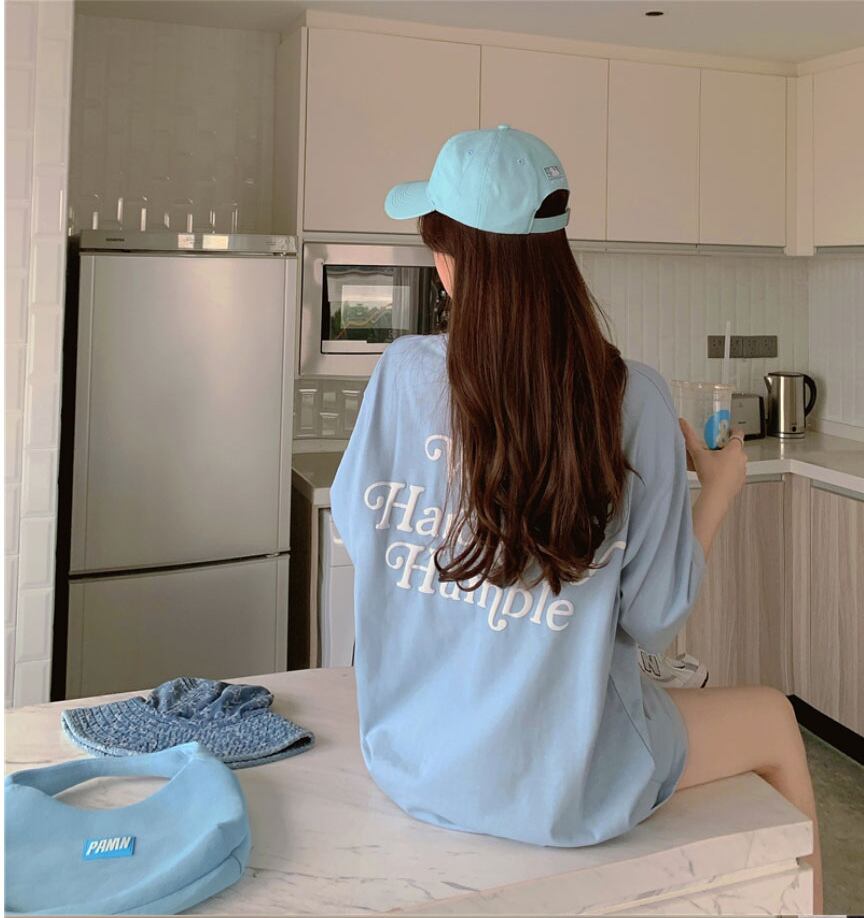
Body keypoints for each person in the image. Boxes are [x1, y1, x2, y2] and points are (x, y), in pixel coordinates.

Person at [329, 125, 822, 911]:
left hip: (410, 762)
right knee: (775, 719)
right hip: (569, 786)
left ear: (450, 261)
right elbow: (653, 620)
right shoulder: (632, 399)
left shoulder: (398, 375)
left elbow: (363, 535)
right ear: (557, 249)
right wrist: (720, 490)